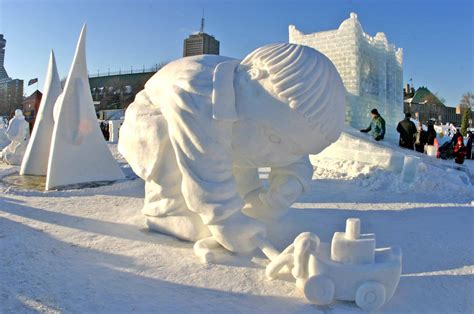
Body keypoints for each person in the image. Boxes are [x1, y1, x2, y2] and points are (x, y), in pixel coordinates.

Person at [118, 43, 346, 254]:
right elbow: (203, 160)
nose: (278, 156)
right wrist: (225, 219)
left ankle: (243, 194)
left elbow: (293, 147)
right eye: (274, 138)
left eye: (290, 148)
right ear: (252, 78)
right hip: (151, 126)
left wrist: (291, 179)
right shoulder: (195, 86)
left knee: (244, 140)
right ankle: (166, 209)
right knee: (183, 140)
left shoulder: (259, 105)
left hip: (220, 134)